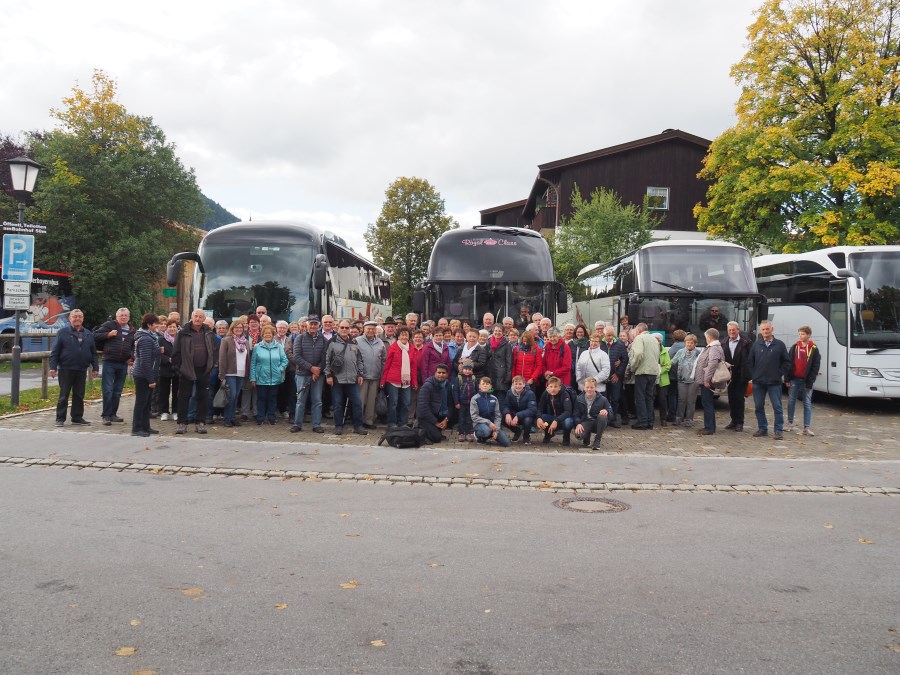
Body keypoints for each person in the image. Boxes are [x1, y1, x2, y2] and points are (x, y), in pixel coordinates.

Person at [49, 308, 98, 427]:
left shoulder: (88, 334)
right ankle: (60, 418)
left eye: (79, 317)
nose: (77, 319)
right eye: (74, 317)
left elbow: (93, 352)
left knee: (79, 395)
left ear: (83, 319)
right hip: (66, 368)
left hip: (81, 369)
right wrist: (53, 367)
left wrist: (95, 367)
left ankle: (77, 417)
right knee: (64, 395)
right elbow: (55, 351)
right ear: (70, 318)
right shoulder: (63, 332)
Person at [172, 309, 216, 434]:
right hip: (186, 369)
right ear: (191, 317)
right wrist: (179, 369)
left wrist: (212, 366)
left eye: (200, 317)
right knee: (184, 397)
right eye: (195, 316)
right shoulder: (183, 332)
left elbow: (214, 350)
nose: (197, 319)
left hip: (204, 369)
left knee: (203, 397)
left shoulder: (208, 332)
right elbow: (176, 352)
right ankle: (182, 423)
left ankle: (200, 422)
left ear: (204, 319)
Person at [747, 320, 791, 440]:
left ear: (772, 329)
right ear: (760, 331)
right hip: (758, 382)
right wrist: (754, 375)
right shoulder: (756, 344)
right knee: (758, 406)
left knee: (777, 407)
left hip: (774, 382)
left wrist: (778, 373)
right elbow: (750, 362)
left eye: (767, 329)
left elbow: (787, 362)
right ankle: (763, 428)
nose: (765, 331)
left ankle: (778, 430)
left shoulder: (780, 345)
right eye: (763, 329)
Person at [325, 319, 367, 435]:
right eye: (342, 327)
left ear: (349, 329)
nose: (344, 330)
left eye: (346, 328)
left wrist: (360, 374)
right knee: (338, 404)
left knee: (357, 403)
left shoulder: (354, 342)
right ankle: (338, 426)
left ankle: (358, 426)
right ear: (338, 328)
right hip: (337, 378)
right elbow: (327, 360)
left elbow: (359, 359)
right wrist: (328, 375)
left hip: (353, 379)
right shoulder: (332, 342)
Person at [93, 307, 135, 425]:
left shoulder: (132, 330)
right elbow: (94, 335)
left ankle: (113, 414)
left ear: (129, 317)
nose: (123, 317)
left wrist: (131, 357)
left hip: (123, 363)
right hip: (109, 362)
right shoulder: (109, 325)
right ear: (117, 317)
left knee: (117, 391)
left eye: (126, 315)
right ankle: (106, 415)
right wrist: (108, 334)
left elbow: (133, 347)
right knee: (107, 390)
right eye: (121, 315)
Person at [291, 315, 327, 434]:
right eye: (311, 324)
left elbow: (325, 357)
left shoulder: (323, 339)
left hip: (318, 375)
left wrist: (318, 370)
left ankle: (316, 425)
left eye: (315, 324)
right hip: (302, 374)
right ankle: (297, 424)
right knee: (300, 400)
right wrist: (311, 368)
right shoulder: (299, 338)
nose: (313, 326)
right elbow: (296, 356)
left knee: (317, 400)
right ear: (307, 325)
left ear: (318, 325)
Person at [250, 323, 288, 425]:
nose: (267, 335)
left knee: (272, 398)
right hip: (261, 378)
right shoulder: (257, 347)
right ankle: (260, 418)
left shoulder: (279, 346)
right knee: (261, 398)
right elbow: (253, 363)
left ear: (273, 335)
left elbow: (285, 360)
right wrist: (253, 378)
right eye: (265, 333)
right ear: (262, 335)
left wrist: (280, 369)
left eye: (269, 333)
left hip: (275, 378)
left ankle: (271, 417)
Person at [786, 325, 821, 436]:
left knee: (807, 403)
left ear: (809, 335)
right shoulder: (795, 347)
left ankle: (806, 427)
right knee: (791, 401)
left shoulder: (814, 349)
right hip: (794, 379)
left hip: (806, 381)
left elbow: (815, 366)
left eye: (803, 334)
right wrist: (787, 378)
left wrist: (810, 382)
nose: (801, 336)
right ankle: (790, 423)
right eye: (800, 334)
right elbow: (789, 362)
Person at [131, 313, 161, 437]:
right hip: (143, 375)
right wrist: (150, 379)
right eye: (156, 324)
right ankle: (136, 428)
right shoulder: (145, 339)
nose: (158, 326)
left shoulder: (151, 337)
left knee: (147, 403)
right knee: (141, 402)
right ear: (149, 325)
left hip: (148, 374)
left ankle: (145, 426)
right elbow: (145, 361)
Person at [380, 327, 417, 429]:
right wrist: (383, 381)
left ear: (409, 337)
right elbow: (387, 365)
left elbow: (413, 367)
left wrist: (414, 382)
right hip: (393, 380)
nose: (404, 337)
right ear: (398, 336)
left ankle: (403, 423)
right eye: (402, 335)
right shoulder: (393, 347)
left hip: (406, 381)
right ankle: (392, 423)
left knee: (406, 402)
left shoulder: (412, 348)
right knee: (393, 403)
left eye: (406, 335)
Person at [627, 323, 661, 430]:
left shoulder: (639, 338)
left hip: (642, 371)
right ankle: (650, 421)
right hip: (653, 371)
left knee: (640, 397)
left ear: (639, 330)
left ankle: (642, 421)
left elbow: (637, 354)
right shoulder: (654, 339)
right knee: (649, 397)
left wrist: (633, 367)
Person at [355, 320, 386, 429]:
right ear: (364, 329)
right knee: (360, 400)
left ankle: (368, 421)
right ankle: (358, 422)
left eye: (373, 328)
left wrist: (382, 375)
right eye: (368, 328)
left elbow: (383, 360)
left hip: (375, 376)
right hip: (362, 376)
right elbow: (354, 358)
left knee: (372, 401)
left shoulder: (380, 342)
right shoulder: (357, 341)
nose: (371, 330)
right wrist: (358, 373)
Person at [218, 319, 249, 427]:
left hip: (241, 373)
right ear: (232, 329)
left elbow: (247, 358)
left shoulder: (245, 341)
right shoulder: (226, 340)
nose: (239, 329)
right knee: (231, 395)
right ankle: (227, 418)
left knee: (236, 396)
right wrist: (222, 374)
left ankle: (232, 418)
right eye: (237, 328)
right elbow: (222, 358)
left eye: (241, 328)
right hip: (230, 373)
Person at [694, 328, 725, 436]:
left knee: (707, 404)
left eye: (706, 337)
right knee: (707, 403)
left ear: (709, 337)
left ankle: (709, 428)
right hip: (706, 380)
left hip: (708, 381)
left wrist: (707, 379)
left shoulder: (714, 348)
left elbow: (712, 364)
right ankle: (709, 426)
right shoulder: (713, 347)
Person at [721, 321, 751, 432]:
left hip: (741, 375)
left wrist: (749, 374)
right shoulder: (723, 342)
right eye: (730, 330)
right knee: (731, 399)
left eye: (734, 330)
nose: (732, 332)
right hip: (729, 376)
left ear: (738, 330)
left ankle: (740, 422)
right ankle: (733, 421)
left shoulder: (746, 342)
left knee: (739, 399)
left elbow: (750, 359)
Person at [671, 333, 703, 426]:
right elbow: (673, 362)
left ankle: (689, 419)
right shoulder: (680, 352)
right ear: (685, 343)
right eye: (688, 343)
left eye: (691, 343)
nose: (689, 345)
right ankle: (678, 418)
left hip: (693, 380)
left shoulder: (698, 353)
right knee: (681, 399)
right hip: (682, 379)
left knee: (691, 400)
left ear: (695, 344)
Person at [573, 377, 613, 450]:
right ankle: (587, 435)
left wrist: (606, 411)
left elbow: (611, 413)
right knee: (579, 435)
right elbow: (576, 414)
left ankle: (597, 440)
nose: (589, 389)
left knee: (602, 416)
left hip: (597, 422)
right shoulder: (579, 399)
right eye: (587, 387)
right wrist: (578, 423)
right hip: (585, 421)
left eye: (591, 387)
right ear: (584, 388)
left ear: (595, 387)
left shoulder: (603, 399)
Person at [470, 377, 510, 447]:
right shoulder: (475, 399)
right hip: (479, 424)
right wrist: (488, 422)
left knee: (506, 443)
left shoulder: (494, 398)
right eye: (483, 384)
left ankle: (490, 434)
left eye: (487, 384)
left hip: (493, 425)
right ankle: (478, 436)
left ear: (490, 386)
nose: (485, 385)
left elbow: (497, 416)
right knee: (486, 431)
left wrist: (496, 430)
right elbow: (474, 417)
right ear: (479, 386)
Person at [417, 363, 451, 444]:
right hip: (426, 417)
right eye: (439, 372)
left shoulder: (448, 385)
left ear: (447, 374)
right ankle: (419, 428)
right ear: (435, 373)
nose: (441, 375)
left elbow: (450, 404)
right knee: (436, 438)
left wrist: (446, 420)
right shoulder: (427, 385)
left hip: (439, 414)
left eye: (443, 373)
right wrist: (436, 422)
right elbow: (423, 407)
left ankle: (434, 431)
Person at [600, 326, 627, 427]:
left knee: (615, 399)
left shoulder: (620, 345)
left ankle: (613, 419)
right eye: (608, 335)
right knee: (604, 398)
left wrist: (618, 374)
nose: (610, 337)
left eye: (612, 335)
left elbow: (625, 360)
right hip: (603, 377)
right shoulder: (600, 344)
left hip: (615, 376)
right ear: (604, 334)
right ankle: (604, 420)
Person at [537, 376, 574, 446]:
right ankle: (548, 435)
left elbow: (568, 412)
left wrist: (556, 420)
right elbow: (540, 408)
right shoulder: (545, 393)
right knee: (542, 417)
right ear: (548, 387)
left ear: (559, 387)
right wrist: (538, 418)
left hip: (564, 418)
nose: (553, 389)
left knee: (568, 422)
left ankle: (566, 438)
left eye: (555, 386)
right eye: (551, 386)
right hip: (553, 417)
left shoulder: (565, 394)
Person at [503, 375, 538, 444]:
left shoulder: (530, 393)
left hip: (526, 415)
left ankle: (526, 436)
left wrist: (518, 415)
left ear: (524, 384)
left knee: (527, 420)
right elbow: (506, 406)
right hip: (514, 415)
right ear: (512, 384)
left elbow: (532, 409)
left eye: (520, 384)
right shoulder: (509, 393)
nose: (518, 386)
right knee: (503, 418)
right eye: (516, 384)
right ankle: (517, 431)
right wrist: (507, 413)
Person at [452, 359, 478, 442]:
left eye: (469, 369)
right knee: (461, 418)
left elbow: (477, 390)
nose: (467, 371)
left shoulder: (473, 378)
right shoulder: (458, 378)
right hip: (462, 403)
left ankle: (469, 433)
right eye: (466, 369)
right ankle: (461, 433)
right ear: (462, 369)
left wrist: (476, 402)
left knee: (469, 418)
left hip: (471, 404)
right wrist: (456, 402)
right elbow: (455, 391)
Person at [487, 324, 512, 403]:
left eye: (499, 331)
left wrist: (508, 376)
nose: (497, 333)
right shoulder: (488, 342)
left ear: (503, 332)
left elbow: (509, 360)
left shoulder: (507, 344)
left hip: (501, 374)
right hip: (490, 373)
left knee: (501, 398)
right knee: (491, 397)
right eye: (495, 331)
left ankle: (501, 415)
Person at [654, 333, 672, 428]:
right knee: (650, 398)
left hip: (663, 379)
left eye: (655, 340)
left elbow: (668, 365)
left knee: (662, 400)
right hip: (652, 378)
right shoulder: (651, 350)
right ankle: (651, 417)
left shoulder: (665, 351)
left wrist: (659, 370)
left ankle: (663, 419)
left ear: (659, 341)